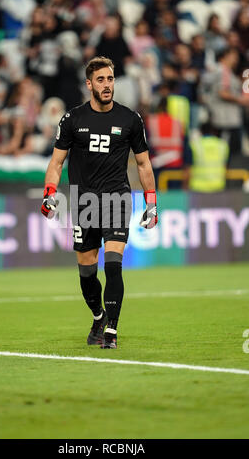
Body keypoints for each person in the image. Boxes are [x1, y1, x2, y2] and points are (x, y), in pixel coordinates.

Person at [41, 56, 158, 349]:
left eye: (110, 79)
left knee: (114, 265)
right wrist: (49, 193)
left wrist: (151, 203)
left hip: (117, 197)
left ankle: (111, 331)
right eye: (101, 80)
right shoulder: (72, 119)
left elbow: (143, 164)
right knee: (86, 272)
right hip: (85, 201)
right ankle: (98, 315)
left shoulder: (130, 119)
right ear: (89, 84)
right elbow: (57, 162)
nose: (107, 85)